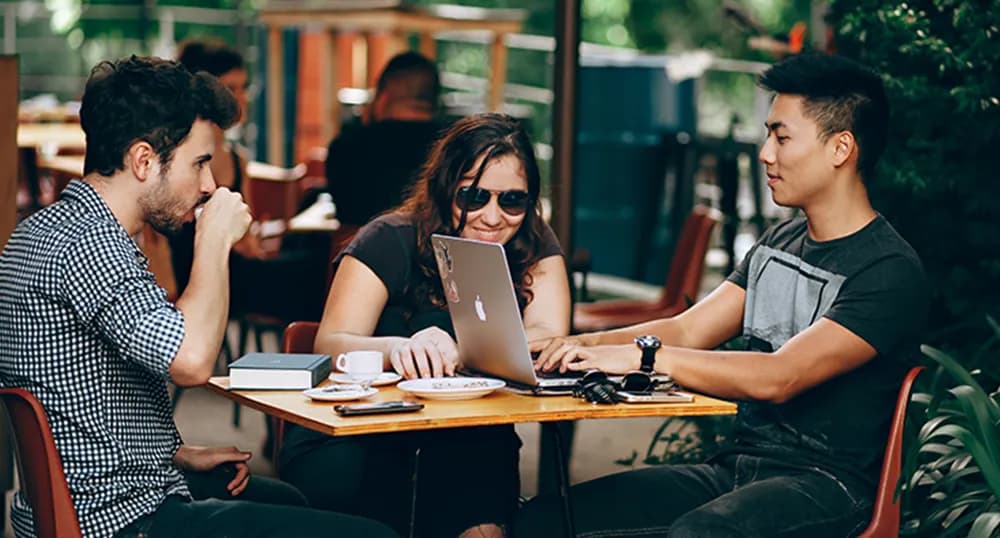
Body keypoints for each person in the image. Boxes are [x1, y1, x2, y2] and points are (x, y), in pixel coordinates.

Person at [516, 53, 929, 538]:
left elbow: (780, 376)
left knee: (699, 535)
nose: (765, 154)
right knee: (544, 521)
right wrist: (585, 347)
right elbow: (689, 328)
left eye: (782, 136)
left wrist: (642, 359)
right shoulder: (778, 243)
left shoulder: (887, 270)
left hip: (827, 485)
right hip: (737, 470)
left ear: (841, 148)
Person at [0, 55, 397, 538]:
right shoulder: (91, 244)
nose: (210, 184)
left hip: (97, 498)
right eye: (200, 163)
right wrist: (214, 241)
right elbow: (190, 361)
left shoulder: (46, 230)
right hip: (120, 521)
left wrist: (172, 453)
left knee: (288, 498)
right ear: (144, 160)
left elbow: (77, 396)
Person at [279, 113, 571, 537]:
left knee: (475, 441)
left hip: (466, 434)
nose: (493, 216)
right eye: (473, 197)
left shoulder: (531, 241)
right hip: (360, 433)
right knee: (465, 457)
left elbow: (548, 334)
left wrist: (464, 350)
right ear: (444, 188)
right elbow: (329, 343)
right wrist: (399, 348)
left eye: (512, 200)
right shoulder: (389, 238)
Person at [323, 51, 446, 227]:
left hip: (359, 251)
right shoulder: (452, 147)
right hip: (431, 251)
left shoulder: (346, 147)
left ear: (383, 96)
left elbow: (344, 215)